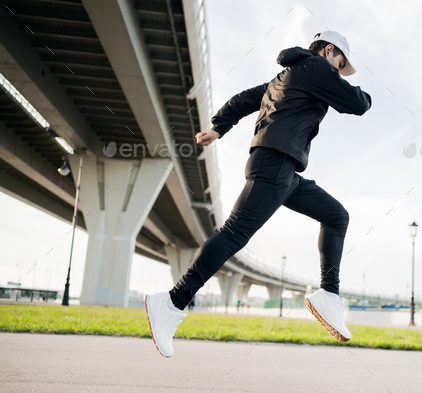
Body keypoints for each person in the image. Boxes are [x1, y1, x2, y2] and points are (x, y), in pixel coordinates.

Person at [145, 31, 371, 358]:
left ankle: (329, 295)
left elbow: (244, 99)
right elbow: (357, 104)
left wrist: (218, 127)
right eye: (339, 64)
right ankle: (172, 301)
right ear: (328, 50)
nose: (337, 71)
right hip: (275, 164)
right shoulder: (316, 66)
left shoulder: (286, 76)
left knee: (336, 215)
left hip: (285, 170)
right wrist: (359, 92)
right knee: (234, 234)